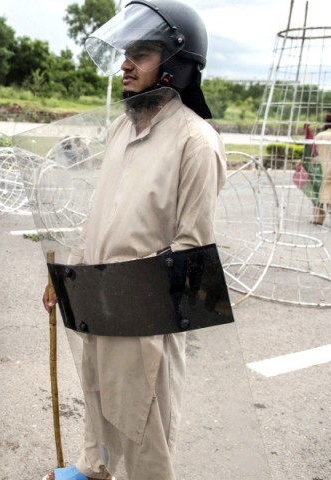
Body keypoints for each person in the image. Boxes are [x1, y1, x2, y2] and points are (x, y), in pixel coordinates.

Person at [42, 1, 226, 479]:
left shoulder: (196, 142)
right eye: (126, 52)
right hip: (98, 296)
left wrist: (141, 300)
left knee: (145, 426)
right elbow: (98, 214)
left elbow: (193, 250)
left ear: (176, 65)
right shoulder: (122, 127)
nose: (125, 63)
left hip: (148, 313)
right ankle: (94, 470)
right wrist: (70, 275)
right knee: (99, 398)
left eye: (141, 53)